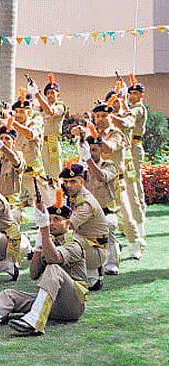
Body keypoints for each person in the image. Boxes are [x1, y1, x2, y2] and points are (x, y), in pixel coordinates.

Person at [0, 192, 88, 335]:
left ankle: (35, 321)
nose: (52, 223)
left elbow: (54, 259)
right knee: (8, 294)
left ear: (68, 223)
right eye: (50, 219)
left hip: (73, 305)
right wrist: (38, 247)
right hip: (51, 303)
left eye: (57, 219)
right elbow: (34, 274)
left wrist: (44, 230)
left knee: (53, 268)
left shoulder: (74, 244)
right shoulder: (50, 243)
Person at [87, 102, 143, 260]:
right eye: (98, 116)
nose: (101, 119)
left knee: (126, 215)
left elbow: (108, 148)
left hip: (116, 183)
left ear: (110, 116)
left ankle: (135, 245)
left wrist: (92, 135)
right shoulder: (93, 133)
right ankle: (108, 246)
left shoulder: (117, 133)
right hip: (98, 181)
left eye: (104, 116)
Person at [59, 163, 109, 290]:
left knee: (65, 237)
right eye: (65, 182)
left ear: (81, 182)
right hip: (87, 244)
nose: (68, 185)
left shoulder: (86, 203)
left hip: (96, 250)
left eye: (73, 181)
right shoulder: (73, 197)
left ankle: (90, 272)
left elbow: (66, 226)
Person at [80, 134, 121, 275]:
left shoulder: (109, 166)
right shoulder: (83, 168)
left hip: (107, 212)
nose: (91, 153)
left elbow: (101, 177)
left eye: (94, 150)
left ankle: (112, 263)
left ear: (101, 150)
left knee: (107, 226)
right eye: (89, 150)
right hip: (89, 213)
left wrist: (88, 160)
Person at [10, 89, 53, 206]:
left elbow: (30, 134)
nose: (18, 114)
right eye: (16, 111)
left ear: (29, 112)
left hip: (33, 170)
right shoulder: (14, 124)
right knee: (13, 202)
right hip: (18, 169)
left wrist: (12, 122)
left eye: (22, 111)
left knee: (45, 201)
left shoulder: (35, 122)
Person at [28, 73, 67, 181]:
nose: (50, 95)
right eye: (48, 93)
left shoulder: (60, 105)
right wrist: (32, 92)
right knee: (43, 173)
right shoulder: (42, 106)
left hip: (53, 142)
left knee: (55, 173)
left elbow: (50, 112)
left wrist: (37, 94)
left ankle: (58, 195)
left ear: (58, 94)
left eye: (52, 93)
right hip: (43, 142)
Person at [127, 75, 148, 239]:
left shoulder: (138, 109)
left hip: (134, 146)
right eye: (130, 93)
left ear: (141, 95)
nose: (132, 96)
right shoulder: (130, 107)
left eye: (135, 93)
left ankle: (140, 217)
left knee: (135, 183)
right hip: (127, 146)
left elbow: (131, 115)